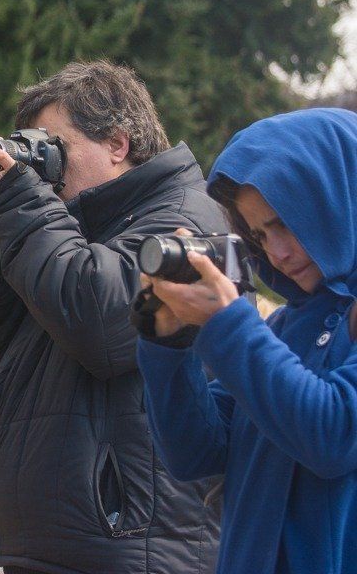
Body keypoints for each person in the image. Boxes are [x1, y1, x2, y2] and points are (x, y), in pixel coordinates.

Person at [0, 61, 222, 574]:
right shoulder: (68, 230)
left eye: (55, 147)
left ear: (117, 143)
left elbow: (102, 326)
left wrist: (22, 202)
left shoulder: (184, 219)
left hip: (130, 545)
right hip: (59, 544)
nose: (44, 169)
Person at [137, 108, 357, 574]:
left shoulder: (256, 333)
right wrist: (167, 340)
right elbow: (195, 451)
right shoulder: (284, 328)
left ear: (337, 199)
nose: (276, 253)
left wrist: (228, 322)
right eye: (258, 234)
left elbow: (335, 435)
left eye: (286, 223)